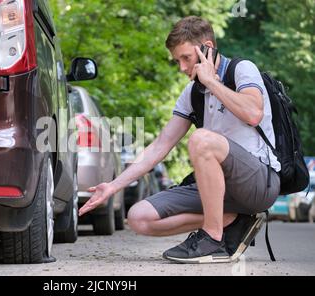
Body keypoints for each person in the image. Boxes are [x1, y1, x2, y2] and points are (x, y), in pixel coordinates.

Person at [78, 16, 281, 264]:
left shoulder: (241, 69)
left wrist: (211, 82)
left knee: (201, 139)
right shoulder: (191, 93)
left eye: (186, 58)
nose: (182, 68)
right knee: (138, 217)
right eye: (177, 61)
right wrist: (113, 186)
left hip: (258, 182)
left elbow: (253, 113)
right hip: (219, 190)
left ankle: (212, 238)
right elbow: (161, 145)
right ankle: (232, 219)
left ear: (208, 46)